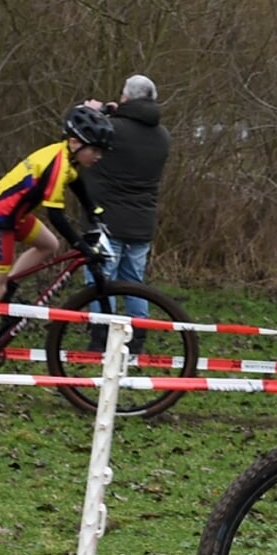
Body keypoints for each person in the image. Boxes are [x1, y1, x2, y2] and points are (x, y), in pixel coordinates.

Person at [0, 105, 112, 375]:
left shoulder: (68, 158)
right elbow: (57, 216)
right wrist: (81, 246)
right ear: (76, 142)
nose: (99, 156)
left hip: (14, 215)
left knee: (49, 245)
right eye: (95, 149)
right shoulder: (58, 164)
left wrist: (94, 209)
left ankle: (7, 287)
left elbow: (77, 184)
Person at [79, 74, 171, 352]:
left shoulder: (111, 128)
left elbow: (80, 136)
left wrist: (92, 112)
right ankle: (136, 339)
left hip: (106, 219)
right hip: (142, 221)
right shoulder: (163, 136)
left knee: (100, 280)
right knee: (134, 281)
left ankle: (100, 337)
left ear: (127, 98)